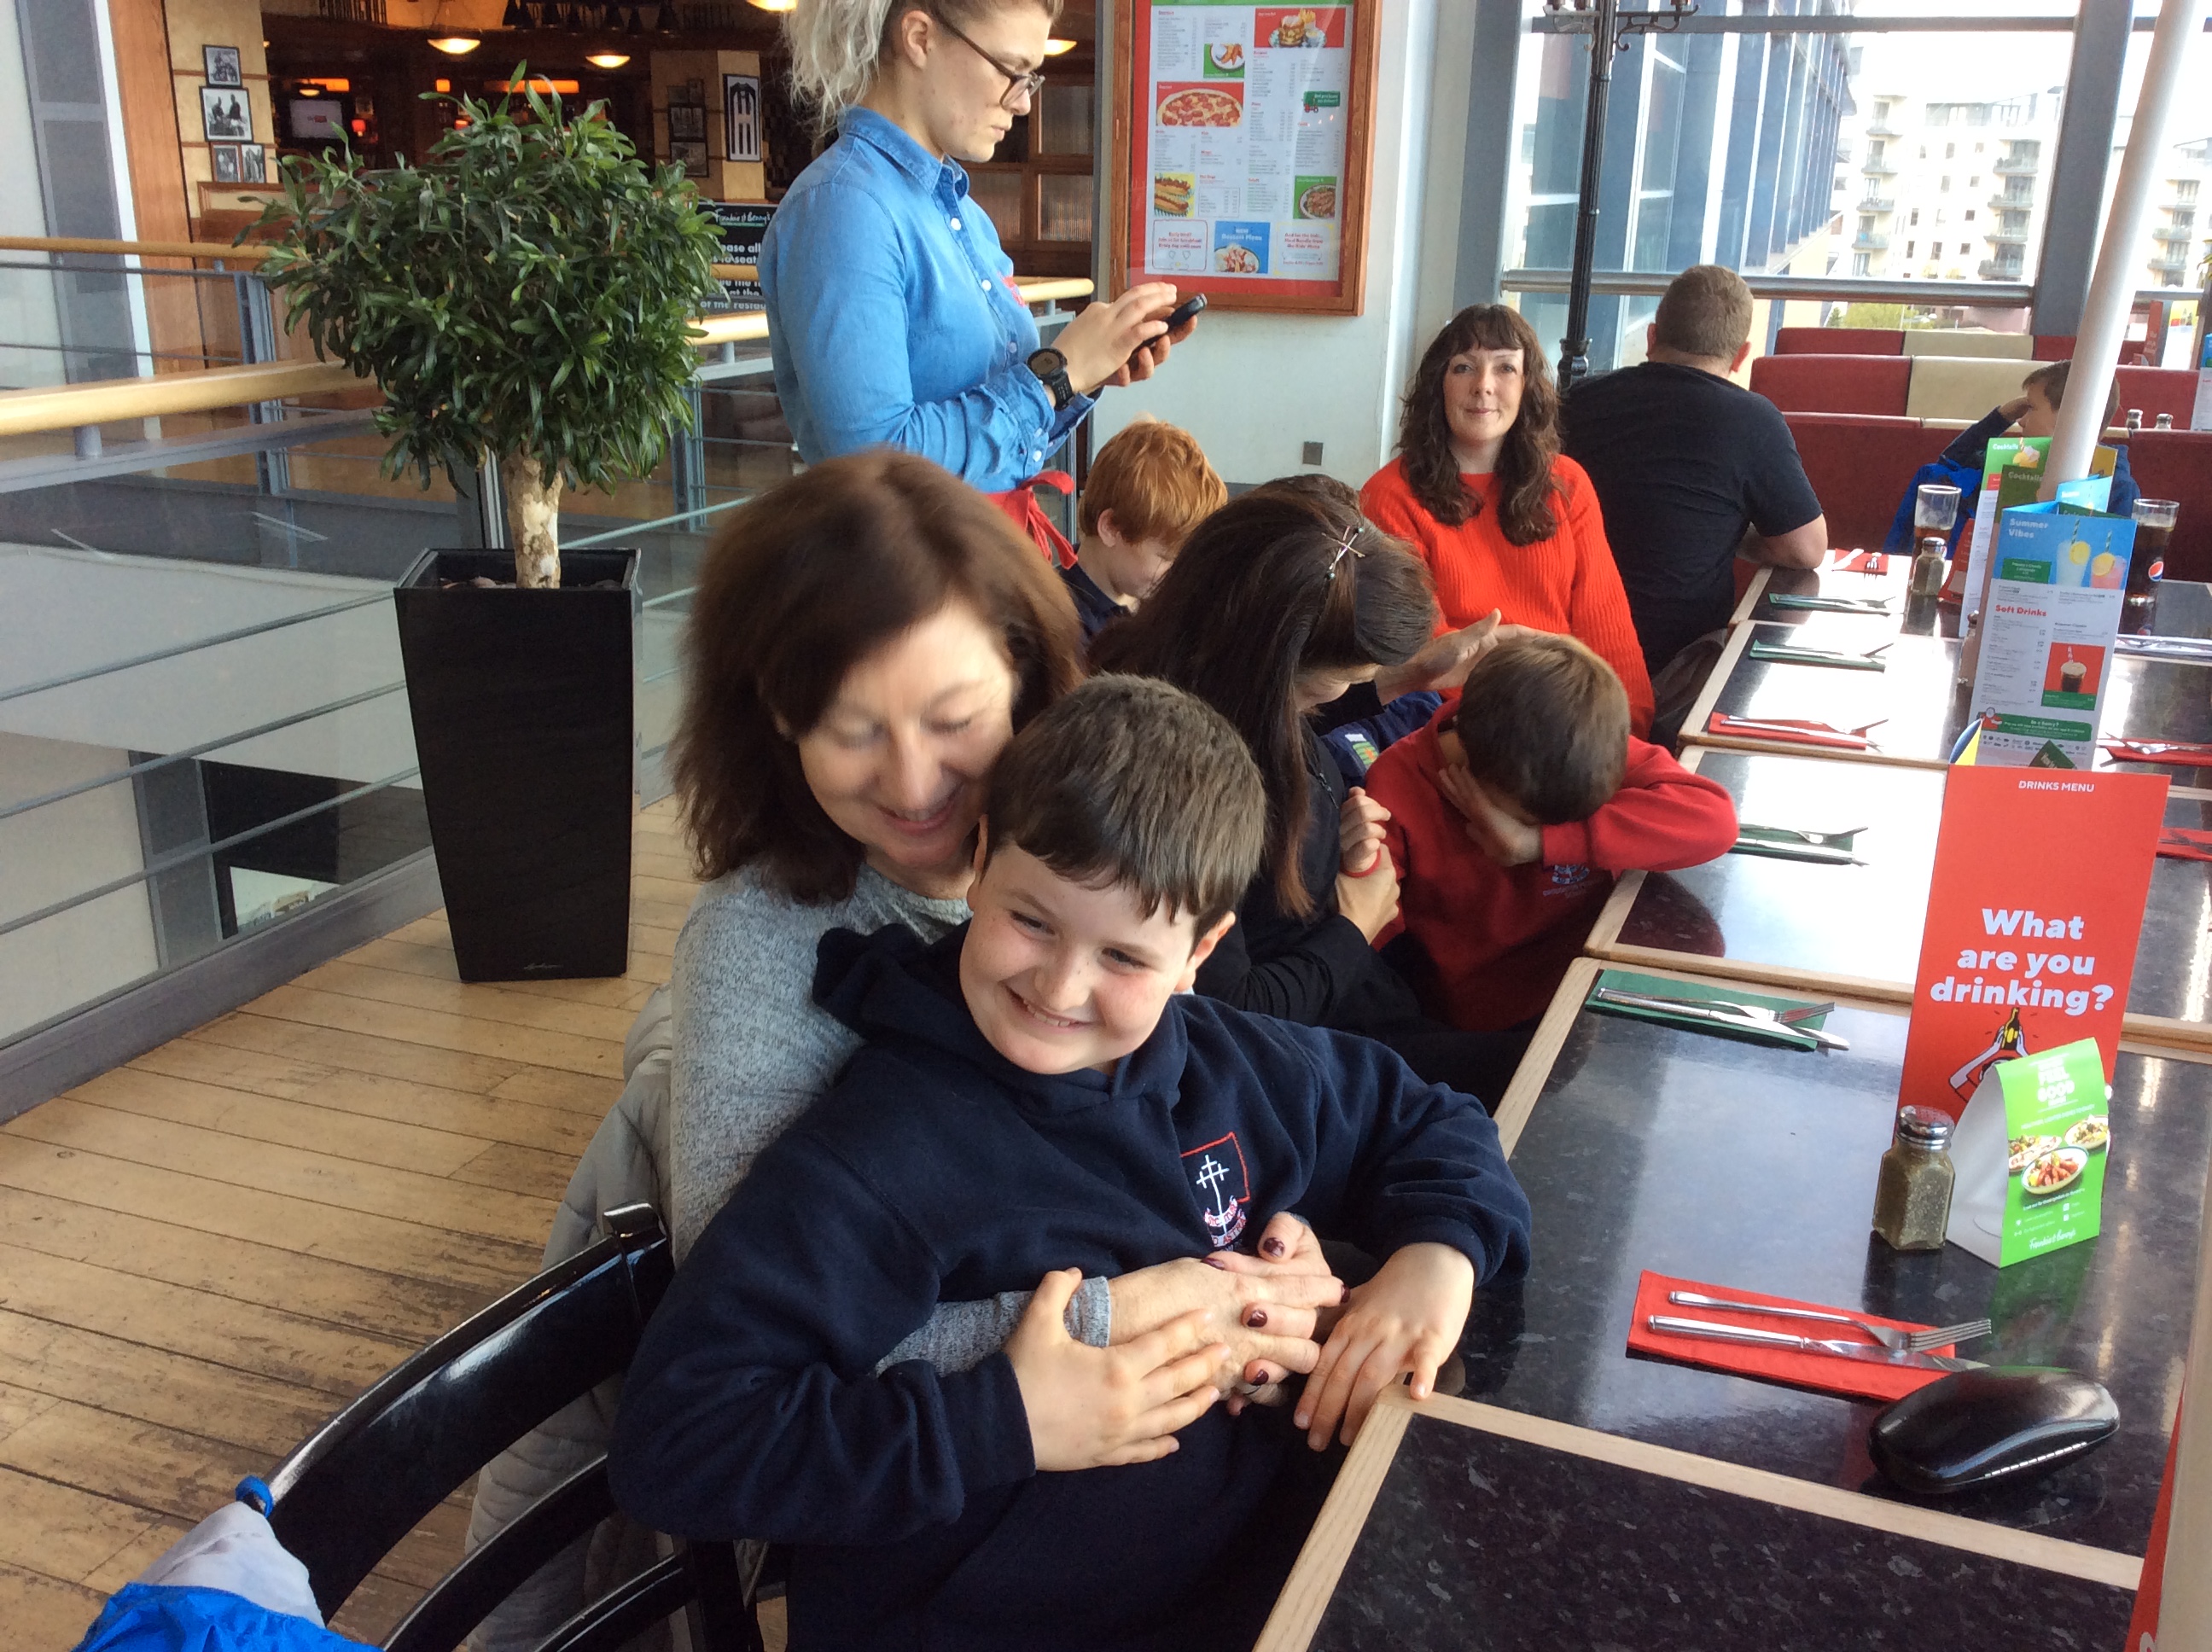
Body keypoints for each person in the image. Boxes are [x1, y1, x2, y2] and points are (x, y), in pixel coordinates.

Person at [462, 454, 1340, 1651]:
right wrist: (1143, 1311)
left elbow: (1212, 1098)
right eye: (854, 730)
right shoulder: (765, 949)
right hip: (905, 1516)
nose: (917, 780)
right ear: (779, 722)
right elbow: (761, 1350)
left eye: (953, 720)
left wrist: (1290, 1250)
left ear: (1026, 675)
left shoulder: (1101, 855)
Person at [608, 674, 1532, 1651]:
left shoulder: (1231, 1060)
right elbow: (679, 1444)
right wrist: (1006, 1419)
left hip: (1270, 1574)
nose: (1059, 986)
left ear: (1200, 951)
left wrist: (1436, 1260)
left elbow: (1427, 1118)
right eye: (1033, 921)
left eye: (1124, 958)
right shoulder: (883, 1152)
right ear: (978, 866)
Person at [1092, 485, 1527, 1106]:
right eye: (1337, 684)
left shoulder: (1217, 683)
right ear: (1274, 668)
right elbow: (1229, 1011)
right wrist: (1355, 924)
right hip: (1308, 1055)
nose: (1337, 698)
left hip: (1355, 991)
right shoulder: (1177, 782)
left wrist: (1409, 676)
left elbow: (1285, 714)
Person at [763, 0, 1199, 550]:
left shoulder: (963, 215)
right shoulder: (844, 208)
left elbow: (996, 443)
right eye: (1012, 71)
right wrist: (1054, 378)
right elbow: (875, 465)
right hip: (905, 576)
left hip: (979, 557)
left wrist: (1083, 375)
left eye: (1031, 79)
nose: (1023, 102)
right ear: (919, 38)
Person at [1364, 634, 1738, 1033]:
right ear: (1471, 762)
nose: (1541, 827)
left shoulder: (1573, 742)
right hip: (1497, 1016)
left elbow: (1715, 822)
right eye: (1530, 819)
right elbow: (1367, 932)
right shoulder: (1396, 786)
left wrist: (1537, 842)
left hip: (1603, 963)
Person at [1360, 304, 1656, 735]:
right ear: (1438, 385)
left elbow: (1608, 630)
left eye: (1505, 368)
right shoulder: (1390, 495)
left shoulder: (1567, 484)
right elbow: (1423, 657)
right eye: (1464, 368)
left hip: (1573, 719)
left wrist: (1628, 734)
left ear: (1527, 386)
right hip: (1455, 724)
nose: (1483, 386)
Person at [1560, 265, 1829, 680]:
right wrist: (1725, 533)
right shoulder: (1752, 420)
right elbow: (1806, 550)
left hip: (1563, 655)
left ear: (1652, 337)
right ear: (1741, 356)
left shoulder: (1578, 400)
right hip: (1676, 667)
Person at [1880, 358, 2139, 555]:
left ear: (2071, 417)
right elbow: (1948, 464)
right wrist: (1999, 418)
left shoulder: (2118, 488)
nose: (2021, 421)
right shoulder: (2017, 462)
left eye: (2031, 408)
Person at [1061, 416, 1226, 641]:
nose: (1178, 575)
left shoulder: (1149, 598)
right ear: (1111, 528)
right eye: (1165, 558)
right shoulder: (1060, 625)